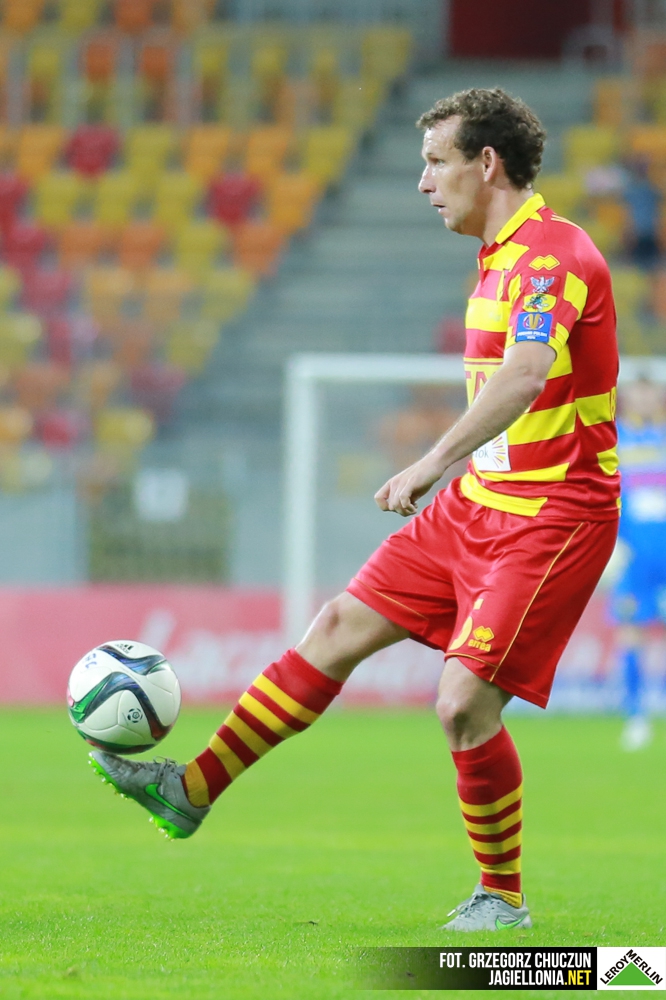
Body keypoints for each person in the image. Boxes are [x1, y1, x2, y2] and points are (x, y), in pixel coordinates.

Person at [89, 88, 620, 932]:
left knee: (462, 704)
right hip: (480, 506)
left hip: (553, 516)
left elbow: (525, 376)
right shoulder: (499, 256)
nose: (423, 182)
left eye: (437, 162)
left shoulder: (553, 256)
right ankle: (190, 791)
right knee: (336, 626)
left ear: (487, 164)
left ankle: (502, 900)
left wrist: (432, 461)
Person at [609, 377, 666, 751]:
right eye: (638, 395)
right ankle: (636, 717)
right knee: (631, 634)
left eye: (651, 395)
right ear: (628, 399)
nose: (644, 401)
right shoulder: (614, 442)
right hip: (633, 559)